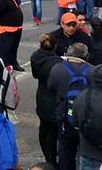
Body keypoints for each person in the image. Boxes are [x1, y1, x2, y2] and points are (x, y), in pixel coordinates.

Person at [47, 43, 91, 170]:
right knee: (85, 151)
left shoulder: (57, 69)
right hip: (86, 117)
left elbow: (51, 87)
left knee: (65, 150)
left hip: (64, 115)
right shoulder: (92, 70)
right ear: (86, 56)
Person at [30, 34, 62, 168]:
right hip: (53, 97)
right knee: (53, 131)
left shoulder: (35, 57)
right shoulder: (56, 63)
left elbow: (35, 74)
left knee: (44, 127)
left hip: (41, 95)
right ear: (54, 46)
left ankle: (48, 156)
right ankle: (51, 159)